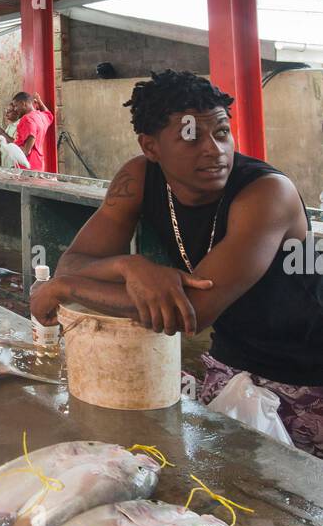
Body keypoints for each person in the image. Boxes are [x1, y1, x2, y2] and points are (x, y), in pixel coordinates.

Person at [31, 69, 323, 458]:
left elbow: (190, 312)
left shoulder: (267, 194)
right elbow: (76, 261)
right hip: (234, 359)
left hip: (307, 373)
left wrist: (63, 289)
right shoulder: (138, 177)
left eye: (221, 133)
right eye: (191, 136)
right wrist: (129, 267)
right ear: (151, 147)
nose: (214, 149)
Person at [0, 90, 54, 171]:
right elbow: (49, 115)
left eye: (16, 106)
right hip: (38, 164)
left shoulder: (27, 118)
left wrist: (3, 135)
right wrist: (39, 102)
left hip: (26, 167)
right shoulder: (41, 116)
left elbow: (26, 150)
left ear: (23, 103)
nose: (15, 109)